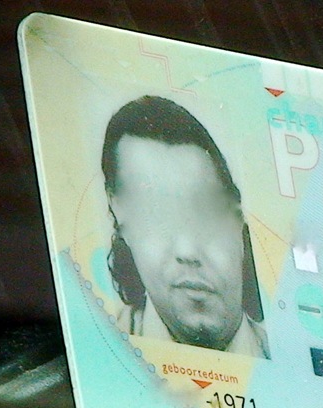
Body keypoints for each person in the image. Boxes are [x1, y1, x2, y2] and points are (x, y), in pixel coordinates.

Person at [102, 95, 269, 357]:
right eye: (157, 215)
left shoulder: (292, 357)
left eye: (206, 214)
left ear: (240, 223)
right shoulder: (101, 347)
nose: (188, 251)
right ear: (118, 212)